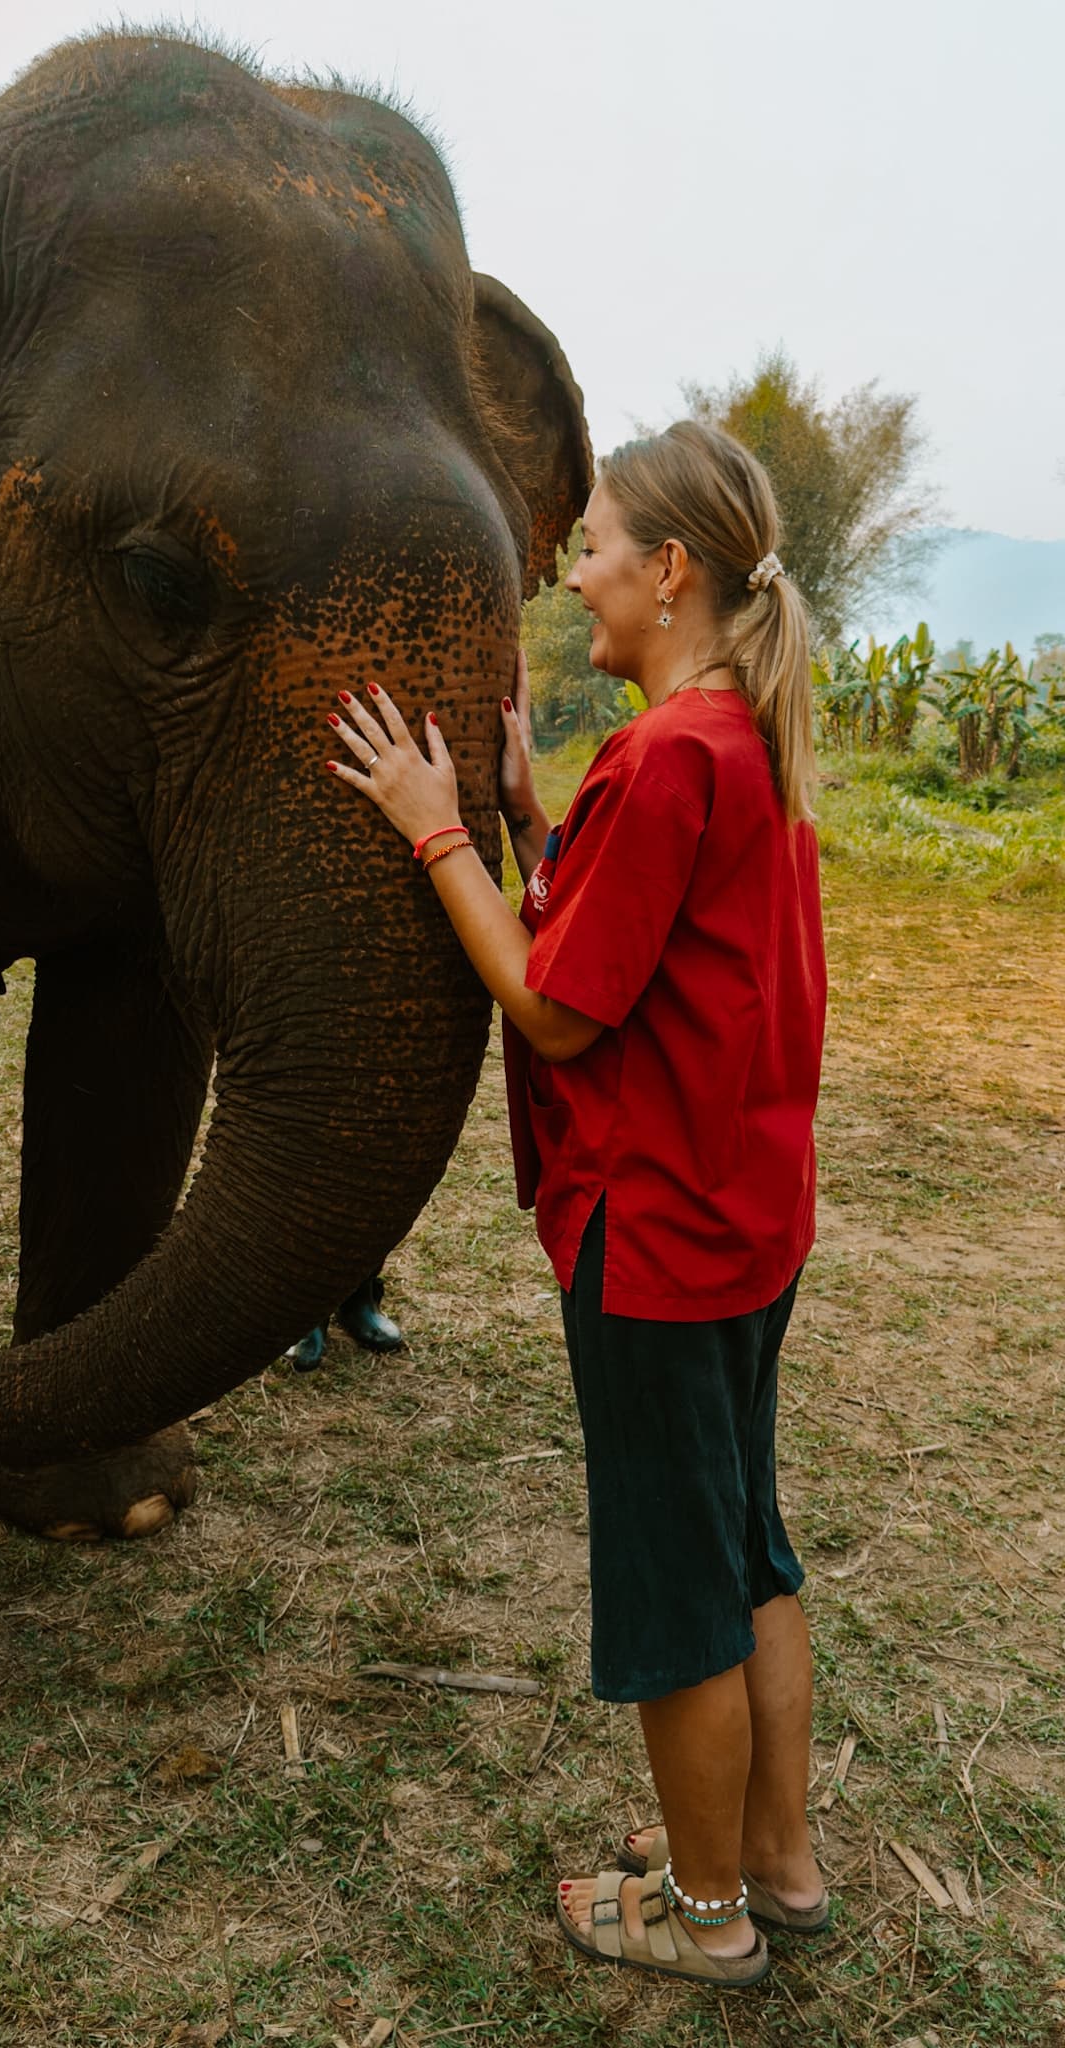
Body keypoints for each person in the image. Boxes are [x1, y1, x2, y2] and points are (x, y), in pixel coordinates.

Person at [325, 419, 827, 1990]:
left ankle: (699, 1917)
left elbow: (554, 1007)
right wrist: (546, 826)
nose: (574, 572)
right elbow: (645, 937)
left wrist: (437, 830)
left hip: (657, 1234)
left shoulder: (674, 752)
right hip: (744, 1217)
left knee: (681, 1587)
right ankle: (776, 1861)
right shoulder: (734, 736)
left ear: (669, 571)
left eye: (596, 543)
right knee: (748, 1548)